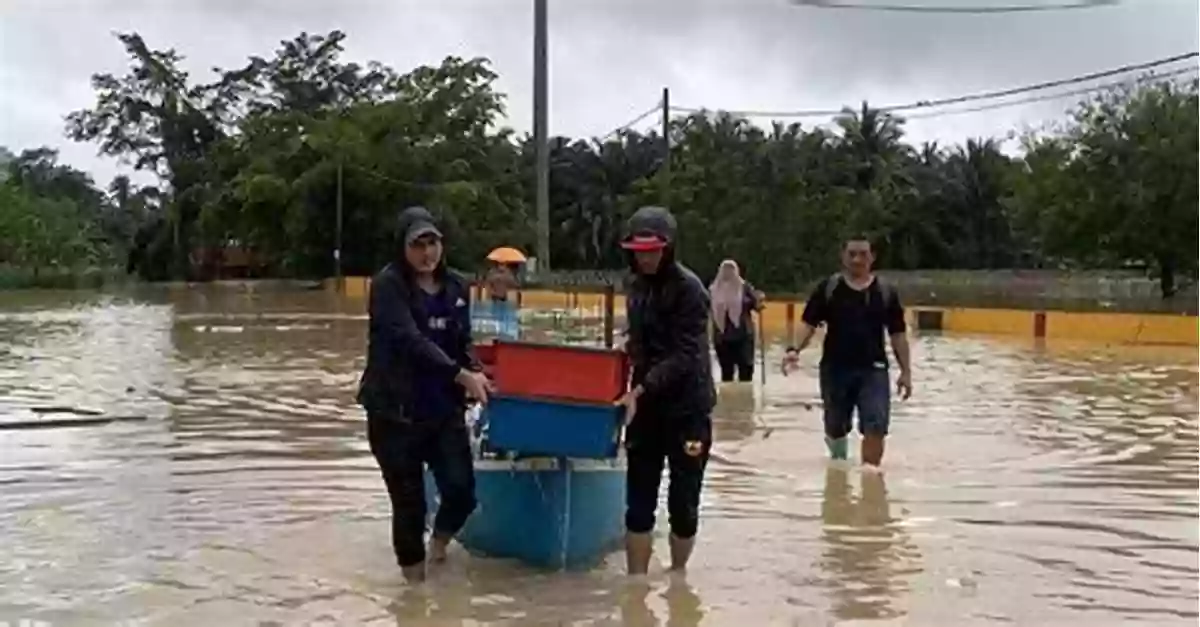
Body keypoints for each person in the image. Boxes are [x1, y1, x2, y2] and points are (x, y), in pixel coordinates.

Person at [356, 205, 492, 583]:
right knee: (409, 506)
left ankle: (439, 545)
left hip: (442, 411)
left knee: (462, 492)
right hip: (394, 415)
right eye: (418, 244)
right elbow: (409, 340)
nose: (427, 253)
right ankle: (413, 598)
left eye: (433, 243)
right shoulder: (388, 287)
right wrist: (461, 374)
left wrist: (476, 370)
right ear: (402, 247)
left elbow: (461, 341)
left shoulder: (457, 287)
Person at [614, 205, 716, 575]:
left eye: (654, 250)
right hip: (645, 409)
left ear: (668, 248)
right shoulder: (634, 286)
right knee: (638, 500)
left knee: (683, 501)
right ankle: (636, 585)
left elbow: (686, 355)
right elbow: (639, 342)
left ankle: (677, 578)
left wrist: (641, 389)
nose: (647, 258)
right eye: (639, 252)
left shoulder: (691, 291)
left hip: (689, 408)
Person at [782, 235, 912, 467]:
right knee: (835, 425)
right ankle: (838, 466)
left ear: (872, 257)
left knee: (876, 425)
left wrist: (906, 372)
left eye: (862, 254)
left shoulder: (885, 292)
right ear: (843, 257)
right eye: (851, 254)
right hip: (835, 368)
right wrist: (794, 350)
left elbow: (898, 334)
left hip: (874, 369)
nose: (857, 259)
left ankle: (870, 478)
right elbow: (809, 324)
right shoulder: (829, 288)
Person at [709, 259, 765, 382]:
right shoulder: (713, 290)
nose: (728, 272)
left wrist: (759, 301)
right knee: (727, 374)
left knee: (746, 371)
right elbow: (703, 307)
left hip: (744, 336)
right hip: (722, 338)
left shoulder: (745, 287)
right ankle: (729, 399)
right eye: (725, 269)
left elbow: (757, 306)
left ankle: (744, 399)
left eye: (731, 269)